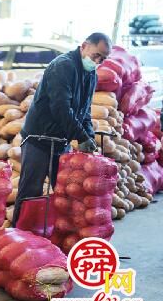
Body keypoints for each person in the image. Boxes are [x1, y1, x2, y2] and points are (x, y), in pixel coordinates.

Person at [12, 32, 112, 226]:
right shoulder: (63, 66)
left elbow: (84, 111)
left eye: (103, 59)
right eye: (96, 55)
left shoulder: (90, 74)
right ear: (84, 46)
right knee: (30, 191)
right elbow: (61, 107)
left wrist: (88, 137)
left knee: (65, 192)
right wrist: (80, 136)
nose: (98, 61)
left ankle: (54, 236)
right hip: (38, 138)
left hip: (60, 141)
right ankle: (18, 234)